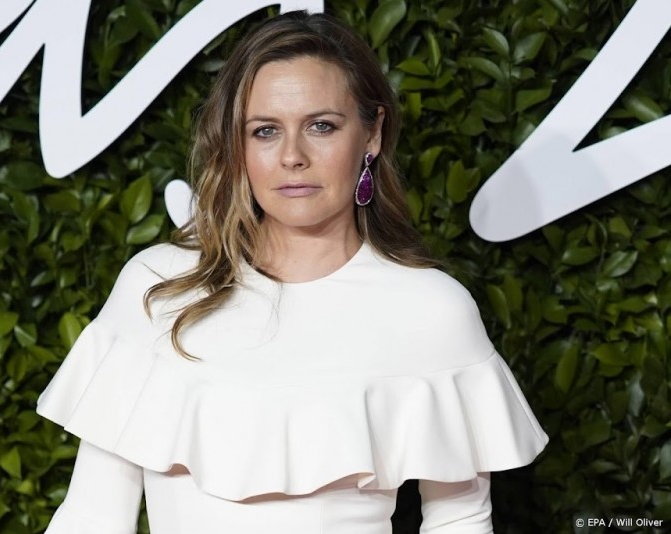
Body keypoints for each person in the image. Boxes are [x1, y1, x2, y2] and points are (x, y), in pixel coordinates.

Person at [37, 10, 548, 533]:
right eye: (265, 131)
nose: (292, 157)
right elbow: (92, 516)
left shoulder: (432, 309)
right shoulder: (159, 286)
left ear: (372, 134)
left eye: (321, 126)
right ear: (237, 145)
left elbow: (459, 519)